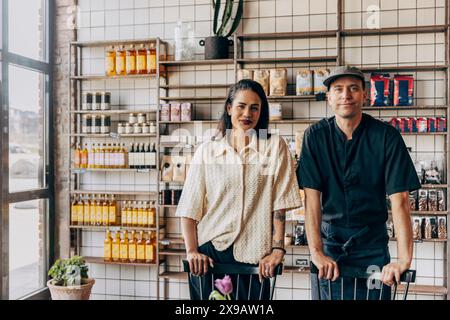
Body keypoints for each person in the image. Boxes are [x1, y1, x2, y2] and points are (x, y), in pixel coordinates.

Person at [297, 66, 420, 300]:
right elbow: (312, 200)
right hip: (330, 248)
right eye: (339, 89)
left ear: (365, 95)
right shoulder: (314, 136)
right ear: (329, 97)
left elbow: (400, 201)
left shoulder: (386, 136)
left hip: (372, 246)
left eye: (354, 88)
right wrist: (316, 252)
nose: (346, 95)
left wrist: (404, 260)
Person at [176, 79, 302, 300]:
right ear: (229, 108)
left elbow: (280, 205)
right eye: (241, 106)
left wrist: (278, 250)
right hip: (211, 254)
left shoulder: (274, 147)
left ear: (261, 112)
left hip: (255, 256)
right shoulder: (208, 151)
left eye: (254, 108)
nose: (247, 113)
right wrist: (192, 251)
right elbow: (189, 207)